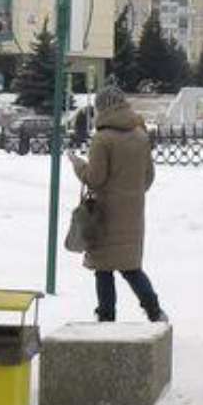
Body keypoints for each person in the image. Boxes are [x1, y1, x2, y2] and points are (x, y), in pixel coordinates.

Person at [67, 87, 167, 323]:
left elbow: (95, 178)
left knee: (104, 269)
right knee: (130, 266)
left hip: (105, 214)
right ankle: (155, 311)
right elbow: (148, 177)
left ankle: (106, 317)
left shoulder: (103, 139)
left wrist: (77, 165)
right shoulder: (141, 135)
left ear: (103, 108)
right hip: (133, 214)